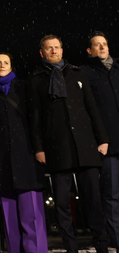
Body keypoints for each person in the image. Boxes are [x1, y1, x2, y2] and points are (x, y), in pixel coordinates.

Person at [27, 34, 109, 253]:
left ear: (62, 51)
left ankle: (101, 244)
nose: (54, 51)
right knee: (62, 204)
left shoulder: (77, 73)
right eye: (49, 48)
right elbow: (34, 118)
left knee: (93, 200)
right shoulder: (36, 79)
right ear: (41, 52)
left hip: (85, 146)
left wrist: (103, 139)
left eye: (57, 47)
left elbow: (92, 109)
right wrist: (39, 148)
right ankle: (70, 247)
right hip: (57, 148)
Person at [0, 52, 48, 253]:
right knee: (9, 214)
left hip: (27, 155)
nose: (2, 65)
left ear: (12, 67)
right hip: (2, 157)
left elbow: (36, 118)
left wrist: (39, 148)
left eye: (6, 62)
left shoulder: (23, 86)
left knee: (31, 212)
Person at [81, 31, 119, 250]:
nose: (103, 47)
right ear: (90, 51)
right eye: (97, 45)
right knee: (112, 196)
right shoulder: (86, 73)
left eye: (105, 43)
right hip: (109, 145)